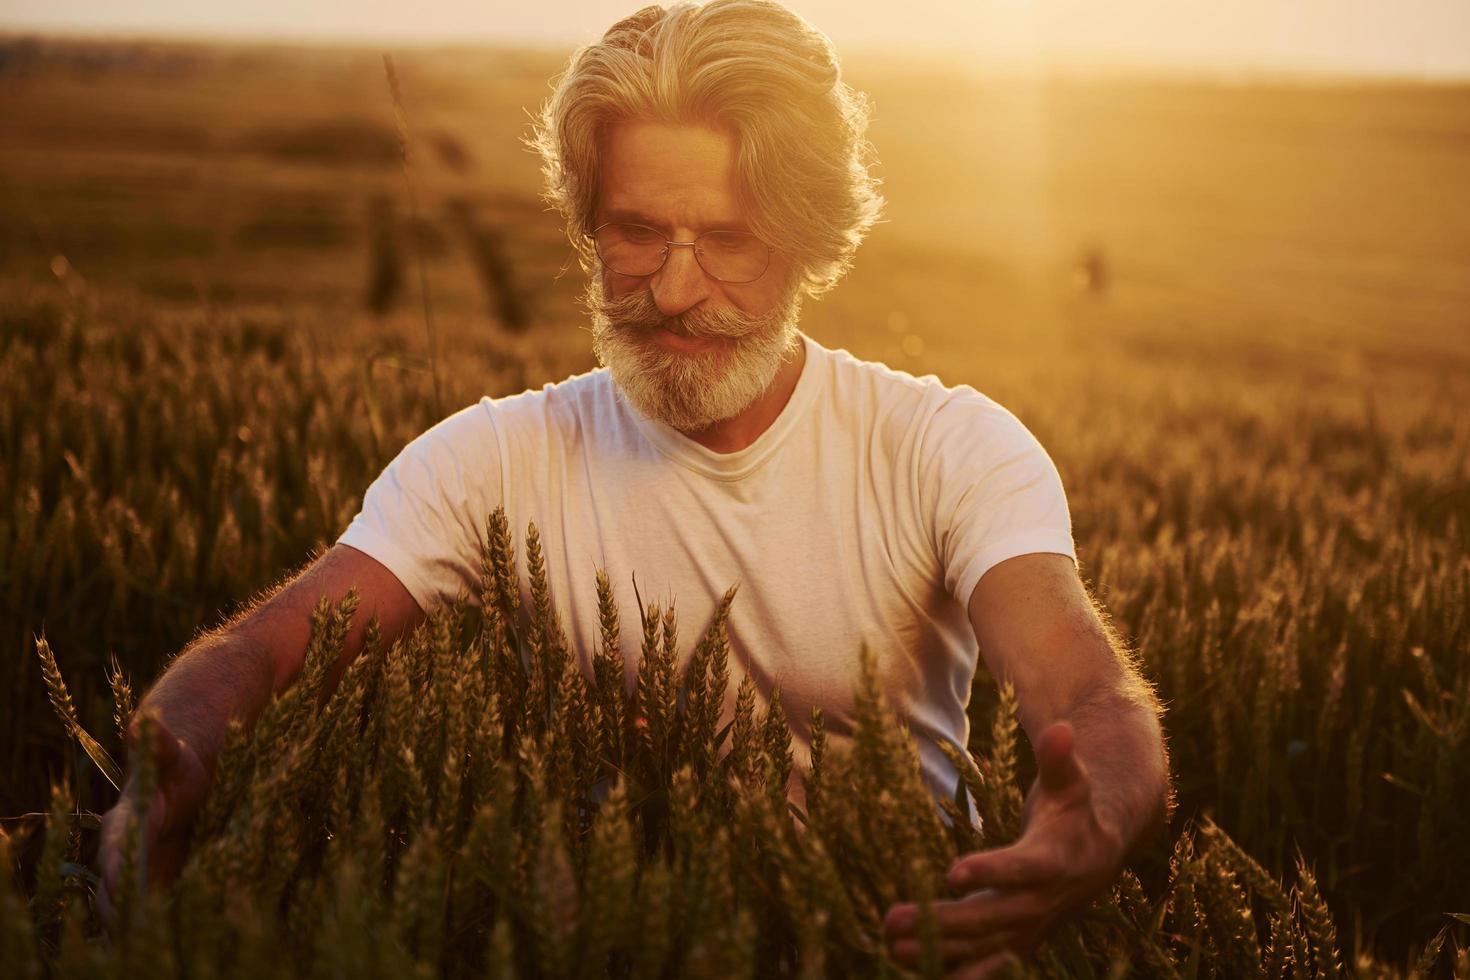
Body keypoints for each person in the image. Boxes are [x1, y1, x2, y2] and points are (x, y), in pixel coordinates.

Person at [99, 1, 1171, 973]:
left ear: (807, 240)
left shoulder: (947, 444)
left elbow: (1083, 689)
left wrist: (1098, 810)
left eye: (728, 240)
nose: (673, 288)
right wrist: (174, 746)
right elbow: (266, 648)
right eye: (637, 231)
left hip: (895, 942)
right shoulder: (494, 456)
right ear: (586, 225)